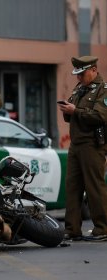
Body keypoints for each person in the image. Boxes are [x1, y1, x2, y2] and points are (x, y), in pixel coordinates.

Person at [58, 56, 107, 241]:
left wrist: (75, 111)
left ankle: (102, 228)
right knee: (72, 187)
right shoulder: (80, 89)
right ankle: (72, 229)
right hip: (76, 144)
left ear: (94, 70)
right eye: (77, 74)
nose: (78, 78)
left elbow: (99, 116)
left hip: (92, 145)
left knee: (94, 186)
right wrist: (68, 110)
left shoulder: (102, 90)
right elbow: (71, 117)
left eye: (82, 73)